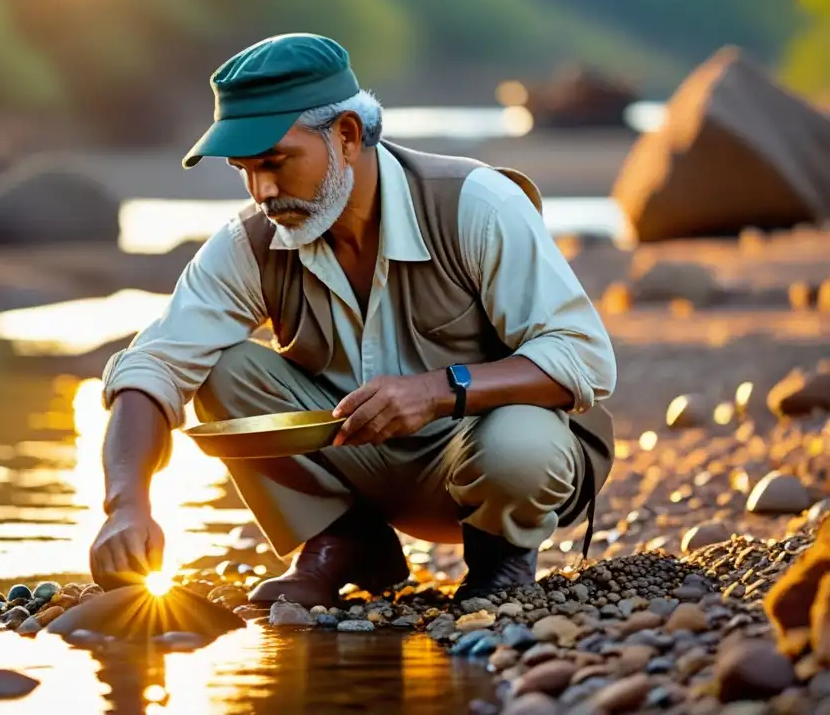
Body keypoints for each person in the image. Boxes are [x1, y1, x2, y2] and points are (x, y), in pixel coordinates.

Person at [89, 33, 617, 608]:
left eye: (275, 162)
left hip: (491, 461)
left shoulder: (477, 203)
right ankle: (343, 542)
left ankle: (500, 563)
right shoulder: (254, 239)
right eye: (244, 169)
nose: (261, 189)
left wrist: (438, 391)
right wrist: (127, 505)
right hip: (353, 459)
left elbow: (584, 356)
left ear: (345, 135)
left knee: (521, 441)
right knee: (221, 368)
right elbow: (154, 363)